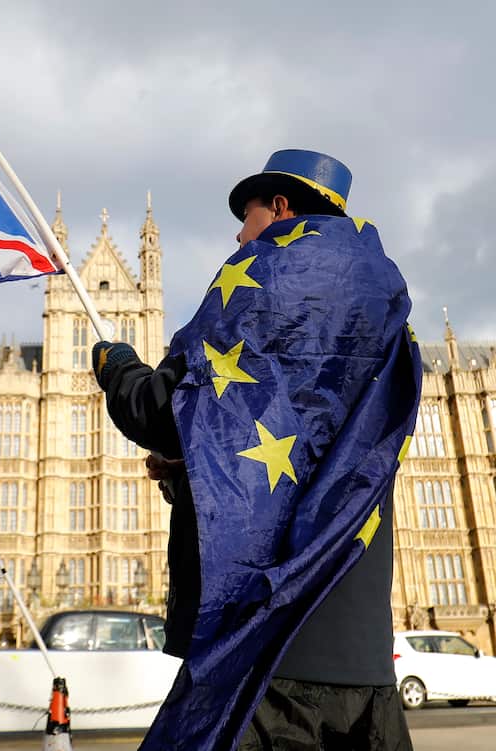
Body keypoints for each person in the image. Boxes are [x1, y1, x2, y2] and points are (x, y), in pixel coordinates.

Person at [91, 150, 418, 750]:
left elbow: (162, 411)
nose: (240, 235)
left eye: (246, 217)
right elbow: (309, 453)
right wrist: (194, 468)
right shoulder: (382, 307)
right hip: (365, 664)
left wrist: (118, 368)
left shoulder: (271, 286)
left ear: (281, 208)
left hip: (272, 655)